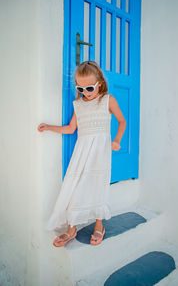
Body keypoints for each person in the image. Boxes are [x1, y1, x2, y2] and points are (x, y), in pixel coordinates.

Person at [37, 61, 126, 247]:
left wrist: (117, 140)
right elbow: (71, 129)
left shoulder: (107, 100)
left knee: (98, 185)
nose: (85, 92)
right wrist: (49, 127)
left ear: (99, 83)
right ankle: (71, 228)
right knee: (74, 186)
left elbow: (122, 121)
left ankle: (99, 225)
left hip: (100, 153)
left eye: (90, 87)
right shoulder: (78, 104)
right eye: (80, 88)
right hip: (82, 151)